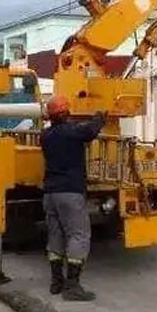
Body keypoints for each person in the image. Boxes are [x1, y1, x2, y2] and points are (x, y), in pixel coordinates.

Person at [40, 94, 105, 301]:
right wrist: (100, 118)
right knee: (78, 236)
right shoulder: (71, 132)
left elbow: (80, 131)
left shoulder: (45, 135)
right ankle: (72, 287)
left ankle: (56, 282)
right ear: (66, 112)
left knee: (56, 236)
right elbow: (89, 131)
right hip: (70, 193)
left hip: (50, 194)